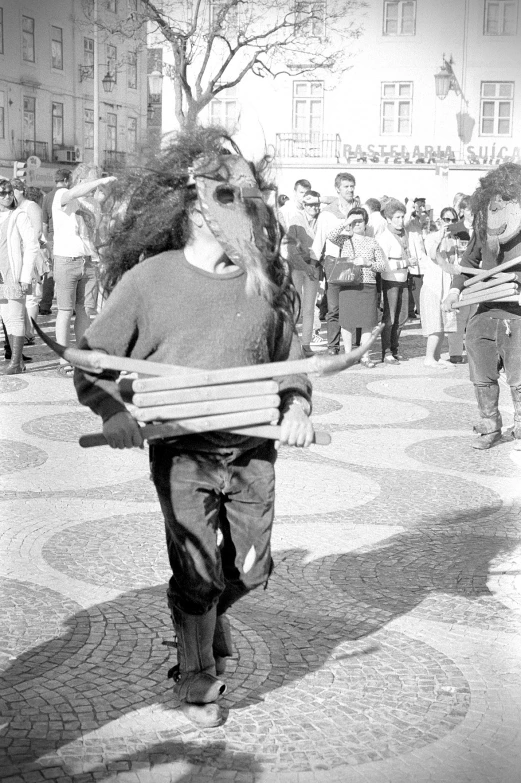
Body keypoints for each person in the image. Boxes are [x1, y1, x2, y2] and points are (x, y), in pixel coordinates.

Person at [74, 127, 314, 728]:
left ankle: (209, 608)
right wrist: (115, 412)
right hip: (181, 452)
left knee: (254, 567)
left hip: (253, 451)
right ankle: (195, 675)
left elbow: (291, 362)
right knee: (196, 570)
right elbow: (93, 359)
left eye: (252, 198)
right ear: (195, 206)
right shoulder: (150, 281)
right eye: (231, 197)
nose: (248, 211)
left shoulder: (264, 281)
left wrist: (298, 406)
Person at [443, 163, 521, 450]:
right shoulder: (482, 221)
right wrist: (453, 291)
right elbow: (467, 264)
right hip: (483, 311)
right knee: (482, 375)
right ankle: (490, 428)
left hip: (517, 315)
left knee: (519, 377)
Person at [52, 168, 116, 376]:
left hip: (89, 262)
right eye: (92, 181)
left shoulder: (94, 204)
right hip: (66, 260)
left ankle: (80, 358)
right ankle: (64, 360)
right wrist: (101, 181)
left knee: (85, 311)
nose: (96, 185)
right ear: (80, 180)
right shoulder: (63, 196)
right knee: (64, 310)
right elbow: (74, 194)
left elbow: (94, 234)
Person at [327, 207, 386, 367]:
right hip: (348, 284)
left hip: (368, 285)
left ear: (366, 223)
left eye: (360, 220)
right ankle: (348, 355)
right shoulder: (345, 240)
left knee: (368, 322)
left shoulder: (373, 242)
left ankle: (364, 355)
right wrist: (346, 222)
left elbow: (382, 266)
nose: (357, 223)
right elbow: (330, 235)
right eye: (354, 221)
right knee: (347, 321)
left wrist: (368, 263)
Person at [312, 172, 358, 354]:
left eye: (352, 186)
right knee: (334, 307)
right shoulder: (328, 214)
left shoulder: (359, 210)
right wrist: (314, 264)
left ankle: (352, 344)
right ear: (337, 189)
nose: (350, 189)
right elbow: (319, 240)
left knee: (352, 305)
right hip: (334, 261)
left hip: (354, 262)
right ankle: (333, 345)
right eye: (346, 186)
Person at [377, 198, 427, 364]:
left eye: (401, 217)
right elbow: (383, 264)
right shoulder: (384, 237)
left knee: (403, 316)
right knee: (390, 317)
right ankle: (387, 351)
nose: (400, 221)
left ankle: (395, 347)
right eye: (396, 217)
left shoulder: (404, 234)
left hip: (404, 279)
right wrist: (405, 262)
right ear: (388, 219)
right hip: (390, 281)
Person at [0, 177, 39, 374]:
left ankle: (16, 362)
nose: (7, 196)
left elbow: (32, 246)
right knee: (6, 318)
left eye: (9, 192)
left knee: (15, 318)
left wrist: (25, 277)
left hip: (13, 275)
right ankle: (16, 361)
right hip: (0, 275)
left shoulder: (19, 215)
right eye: (2, 193)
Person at [282, 189, 325, 356]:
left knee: (309, 308)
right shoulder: (296, 220)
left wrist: (313, 266)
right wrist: (306, 267)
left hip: (314, 267)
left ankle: (306, 345)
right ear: (304, 205)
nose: (315, 207)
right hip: (298, 267)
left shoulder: (322, 219)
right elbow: (291, 249)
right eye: (311, 204)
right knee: (295, 307)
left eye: (317, 204)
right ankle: (290, 345)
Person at [11, 177, 47, 345]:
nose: (9, 195)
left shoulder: (31, 206)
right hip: (18, 255)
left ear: (21, 191)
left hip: (30, 254)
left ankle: (29, 333)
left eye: (12, 191)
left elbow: (38, 231)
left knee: (31, 296)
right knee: (20, 295)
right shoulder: (14, 208)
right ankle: (22, 331)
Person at [420, 211, 459, 368]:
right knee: (434, 324)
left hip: (446, 286)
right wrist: (440, 236)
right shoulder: (432, 237)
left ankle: (436, 356)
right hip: (432, 286)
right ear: (440, 220)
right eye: (446, 219)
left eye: (452, 219)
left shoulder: (453, 241)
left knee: (443, 324)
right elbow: (432, 255)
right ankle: (429, 358)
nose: (449, 222)